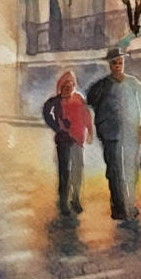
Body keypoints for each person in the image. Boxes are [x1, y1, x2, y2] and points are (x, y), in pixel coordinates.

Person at [86, 48, 141, 221]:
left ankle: (129, 205)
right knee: (114, 171)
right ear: (109, 64)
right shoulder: (102, 86)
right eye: (114, 63)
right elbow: (90, 101)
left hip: (131, 134)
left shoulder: (135, 84)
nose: (118, 66)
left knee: (131, 169)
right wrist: (104, 120)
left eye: (120, 62)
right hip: (110, 135)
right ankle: (118, 208)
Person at [42, 70, 93, 216]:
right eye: (65, 87)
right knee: (64, 172)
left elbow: (86, 115)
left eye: (70, 86)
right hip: (64, 141)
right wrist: (57, 127)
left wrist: (90, 131)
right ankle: (63, 202)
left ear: (74, 86)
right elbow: (46, 112)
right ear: (61, 87)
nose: (68, 89)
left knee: (77, 170)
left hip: (78, 140)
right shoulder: (56, 101)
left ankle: (75, 199)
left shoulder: (79, 98)